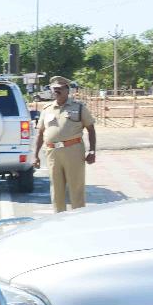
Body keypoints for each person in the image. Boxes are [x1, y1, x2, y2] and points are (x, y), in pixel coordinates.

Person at [34, 76, 97, 213]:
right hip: (52, 153)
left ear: (67, 90)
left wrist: (92, 151)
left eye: (60, 89)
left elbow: (91, 129)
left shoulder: (78, 107)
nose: (56, 91)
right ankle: (59, 219)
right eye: (54, 89)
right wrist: (36, 155)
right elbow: (40, 133)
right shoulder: (47, 109)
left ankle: (78, 218)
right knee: (56, 189)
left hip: (73, 151)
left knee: (76, 188)